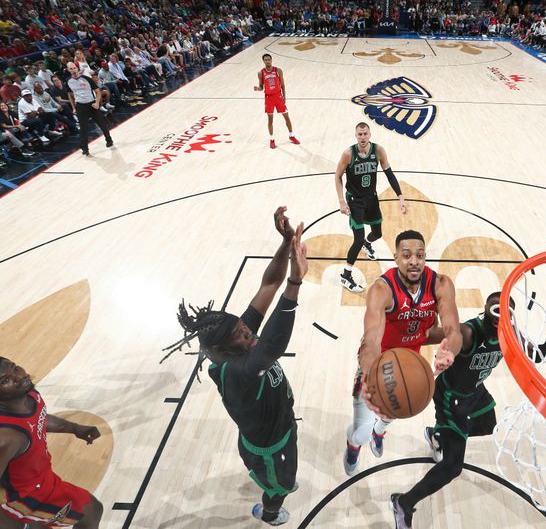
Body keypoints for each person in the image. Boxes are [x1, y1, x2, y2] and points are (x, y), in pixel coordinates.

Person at [161, 207, 307, 526]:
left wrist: (284, 244)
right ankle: (269, 513)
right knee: (280, 486)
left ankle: (276, 485)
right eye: (239, 335)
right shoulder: (239, 373)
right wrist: (295, 282)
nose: (247, 333)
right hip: (268, 449)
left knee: (284, 473)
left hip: (279, 424)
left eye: (243, 326)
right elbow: (273, 343)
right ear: (222, 350)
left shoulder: (234, 341)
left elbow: (268, 285)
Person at [389, 293, 546, 528]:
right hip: (450, 396)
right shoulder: (469, 332)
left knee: (487, 425)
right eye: (493, 310)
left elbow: (534, 355)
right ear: (485, 310)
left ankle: (437, 436)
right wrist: (447, 353)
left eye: (503, 311)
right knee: (453, 467)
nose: (498, 316)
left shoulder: (510, 333)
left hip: (474, 391)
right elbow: (452, 337)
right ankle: (403, 503)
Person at [343, 230, 462, 476]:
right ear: (396, 257)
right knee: (361, 430)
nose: (414, 261)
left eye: (419, 255)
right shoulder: (381, 290)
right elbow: (371, 341)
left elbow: (453, 329)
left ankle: (380, 432)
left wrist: (449, 350)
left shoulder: (440, 284)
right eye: (406, 255)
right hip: (380, 364)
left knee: (397, 407)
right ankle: (354, 444)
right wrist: (369, 375)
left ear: (425, 257)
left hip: (410, 362)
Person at [0, 357, 104, 528]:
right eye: (6, 380)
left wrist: (74, 428)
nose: (20, 377)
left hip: (42, 478)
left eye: (16, 368)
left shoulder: (29, 395)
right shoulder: (7, 436)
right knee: (92, 511)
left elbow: (38, 419)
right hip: (26, 495)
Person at [335, 122, 407, 292]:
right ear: (355, 135)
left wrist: (400, 197)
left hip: (371, 198)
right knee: (357, 238)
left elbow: (389, 174)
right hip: (355, 200)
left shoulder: (378, 151)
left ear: (370, 134)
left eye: (365, 134)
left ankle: (367, 244)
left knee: (377, 233)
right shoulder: (348, 154)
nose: (362, 137)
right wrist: (341, 201)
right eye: (359, 134)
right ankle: (346, 276)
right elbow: (337, 177)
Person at [66, 62, 112, 156]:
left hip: (91, 104)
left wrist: (96, 102)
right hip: (80, 106)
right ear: (68, 70)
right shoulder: (68, 81)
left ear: (77, 68)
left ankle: (109, 139)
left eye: (74, 68)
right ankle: (85, 148)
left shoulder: (86, 79)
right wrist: (73, 107)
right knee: (83, 129)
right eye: (71, 69)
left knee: (102, 123)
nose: (73, 70)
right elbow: (70, 95)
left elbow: (98, 91)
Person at [253, 54, 298, 149]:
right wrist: (258, 89)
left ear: (271, 60)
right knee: (270, 120)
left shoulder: (278, 70)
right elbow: (261, 86)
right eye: (265, 60)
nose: (267, 61)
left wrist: (284, 97)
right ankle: (272, 139)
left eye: (269, 59)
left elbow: (283, 85)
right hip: (269, 98)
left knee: (286, 117)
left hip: (278, 96)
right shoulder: (260, 73)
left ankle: (291, 135)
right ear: (263, 61)